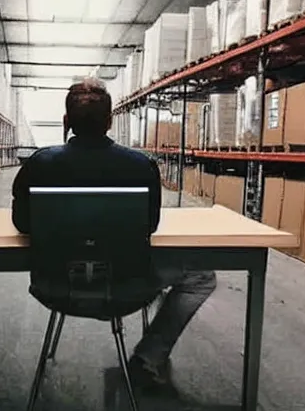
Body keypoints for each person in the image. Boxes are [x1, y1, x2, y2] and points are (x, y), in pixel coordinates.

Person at [11, 77, 216, 393]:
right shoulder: (141, 165)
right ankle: (149, 356)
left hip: (55, 284)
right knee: (201, 276)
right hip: (126, 286)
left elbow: (23, 223)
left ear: (66, 122)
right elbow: (149, 225)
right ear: (109, 122)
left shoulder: (40, 163)